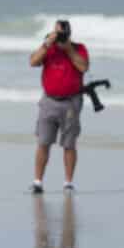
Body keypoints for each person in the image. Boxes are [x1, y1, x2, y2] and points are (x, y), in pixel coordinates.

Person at [29, 20, 89, 194]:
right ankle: (38, 182)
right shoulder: (49, 48)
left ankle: (68, 183)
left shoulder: (78, 48)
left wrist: (68, 49)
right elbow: (33, 62)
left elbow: (83, 67)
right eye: (56, 32)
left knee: (69, 143)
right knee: (43, 142)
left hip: (71, 102)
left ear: (69, 34)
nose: (59, 37)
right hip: (49, 101)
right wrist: (47, 43)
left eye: (62, 33)